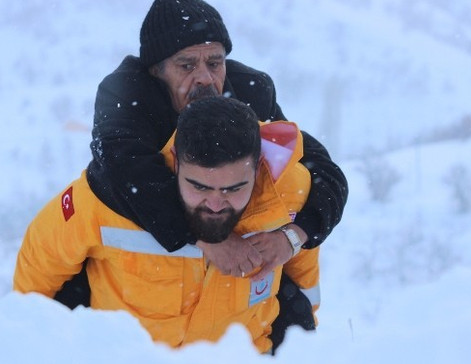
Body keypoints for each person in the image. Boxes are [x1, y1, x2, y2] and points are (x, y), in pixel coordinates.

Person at [65, 0, 348, 348]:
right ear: (156, 70)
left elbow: (323, 172)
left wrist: (292, 237)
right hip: (136, 276)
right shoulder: (126, 96)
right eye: (186, 65)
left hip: (241, 280)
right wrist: (209, 239)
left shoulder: (249, 94)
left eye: (214, 63)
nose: (205, 77)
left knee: (295, 320)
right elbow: (128, 176)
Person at [14, 96, 320, 354]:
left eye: (233, 189)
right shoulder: (110, 200)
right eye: (199, 187)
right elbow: (38, 269)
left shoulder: (288, 194)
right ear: (175, 160)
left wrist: (292, 240)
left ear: (258, 167)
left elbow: (307, 292)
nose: (215, 204)